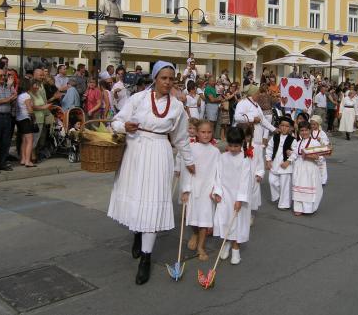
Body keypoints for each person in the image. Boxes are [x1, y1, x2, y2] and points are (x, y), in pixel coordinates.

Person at [107, 61, 195, 285]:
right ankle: (137, 233)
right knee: (138, 198)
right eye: (163, 78)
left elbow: (181, 138)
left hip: (159, 152)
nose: (167, 82)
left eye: (171, 78)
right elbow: (115, 121)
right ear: (155, 78)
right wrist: (123, 127)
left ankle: (145, 258)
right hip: (135, 151)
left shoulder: (176, 107)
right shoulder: (137, 99)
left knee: (153, 202)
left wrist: (189, 160)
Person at [180, 120, 219, 261]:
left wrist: (216, 189)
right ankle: (195, 233)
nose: (206, 135)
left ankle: (201, 246)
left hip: (207, 190)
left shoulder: (215, 152)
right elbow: (187, 171)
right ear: (197, 132)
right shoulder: (191, 148)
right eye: (203, 132)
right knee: (192, 217)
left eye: (209, 132)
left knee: (205, 219)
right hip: (193, 187)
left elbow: (217, 173)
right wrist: (185, 190)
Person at [212, 126, 251, 265]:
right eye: (230, 145)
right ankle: (226, 242)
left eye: (236, 146)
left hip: (237, 196)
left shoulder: (245, 159)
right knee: (225, 220)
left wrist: (240, 199)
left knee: (237, 221)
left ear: (242, 143)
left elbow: (245, 180)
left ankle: (236, 248)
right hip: (225, 194)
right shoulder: (223, 157)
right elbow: (218, 175)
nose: (233, 149)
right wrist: (217, 191)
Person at [291, 122, 323, 216]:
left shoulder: (315, 142)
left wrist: (311, 156)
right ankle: (298, 207)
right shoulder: (298, 142)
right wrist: (290, 157)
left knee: (308, 186)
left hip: (310, 168)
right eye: (302, 130)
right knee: (298, 186)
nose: (304, 132)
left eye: (306, 130)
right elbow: (295, 154)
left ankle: (308, 208)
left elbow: (321, 158)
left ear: (310, 131)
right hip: (299, 167)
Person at [265, 116, 296, 210]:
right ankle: (278, 196)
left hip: (286, 166)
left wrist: (288, 161)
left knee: (285, 184)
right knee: (272, 181)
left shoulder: (292, 139)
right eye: (282, 125)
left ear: (290, 128)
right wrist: (268, 160)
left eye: (287, 126)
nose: (284, 128)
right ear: (279, 126)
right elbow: (269, 149)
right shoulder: (275, 137)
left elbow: (295, 153)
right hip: (275, 163)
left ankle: (284, 204)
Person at [239, 123, 263, 225]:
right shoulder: (237, 146)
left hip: (253, 175)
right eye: (243, 136)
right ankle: (240, 213)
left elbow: (260, 161)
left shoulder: (256, 147)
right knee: (241, 194)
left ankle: (250, 215)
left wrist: (259, 173)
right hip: (241, 175)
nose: (246, 138)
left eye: (248, 136)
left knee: (252, 195)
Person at [309, 115, 329, 186]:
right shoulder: (309, 132)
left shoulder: (322, 133)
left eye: (314, 124)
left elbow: (326, 142)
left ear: (318, 124)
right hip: (311, 151)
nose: (312, 126)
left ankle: (323, 180)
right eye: (311, 124)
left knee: (321, 166)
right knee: (312, 165)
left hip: (320, 152)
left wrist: (320, 140)